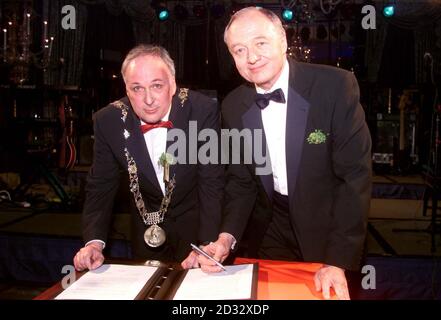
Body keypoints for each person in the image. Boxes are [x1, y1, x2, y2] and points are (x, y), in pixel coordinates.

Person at [198, 7, 372, 300]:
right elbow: (241, 182)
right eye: (239, 50)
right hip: (270, 226)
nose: (251, 57)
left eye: (260, 43)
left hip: (328, 226)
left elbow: (354, 178)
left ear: (282, 39)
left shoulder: (336, 86)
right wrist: (226, 238)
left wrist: (337, 259)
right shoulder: (232, 105)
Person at [74, 44, 224, 271]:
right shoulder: (108, 121)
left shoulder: (202, 110)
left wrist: (207, 243)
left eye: (156, 86)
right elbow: (100, 187)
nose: (148, 99)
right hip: (146, 231)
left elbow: (211, 181)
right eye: (137, 88)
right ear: (126, 89)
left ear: (172, 85)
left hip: (197, 228)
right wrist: (94, 243)